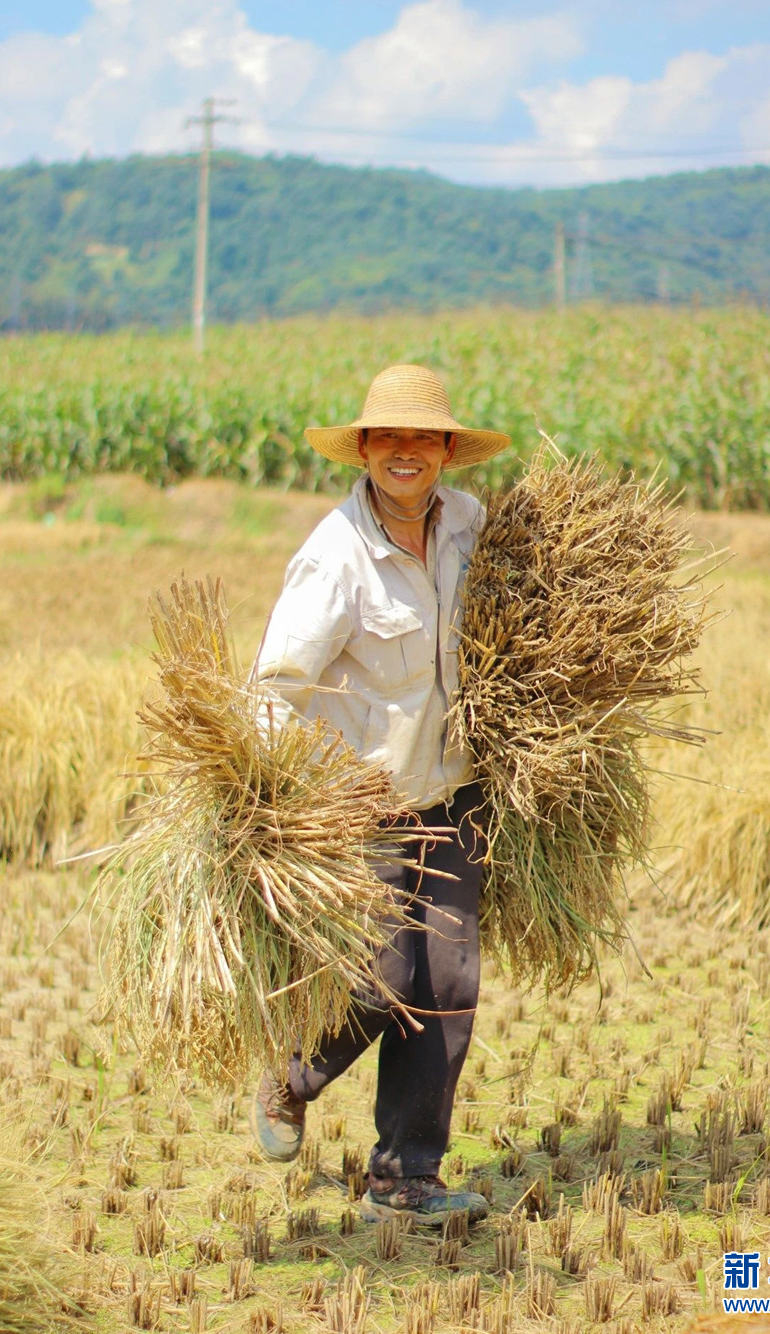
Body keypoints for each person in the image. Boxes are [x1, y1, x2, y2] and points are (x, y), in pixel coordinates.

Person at [249, 363, 510, 1226]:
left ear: (445, 450)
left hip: (454, 793)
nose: (406, 453)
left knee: (447, 981)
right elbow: (273, 691)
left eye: (423, 437)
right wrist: (309, 797)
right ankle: (291, 1079)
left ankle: (405, 1181)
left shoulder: (470, 525)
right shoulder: (333, 560)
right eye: (388, 438)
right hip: (362, 811)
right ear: (363, 449)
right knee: (379, 980)